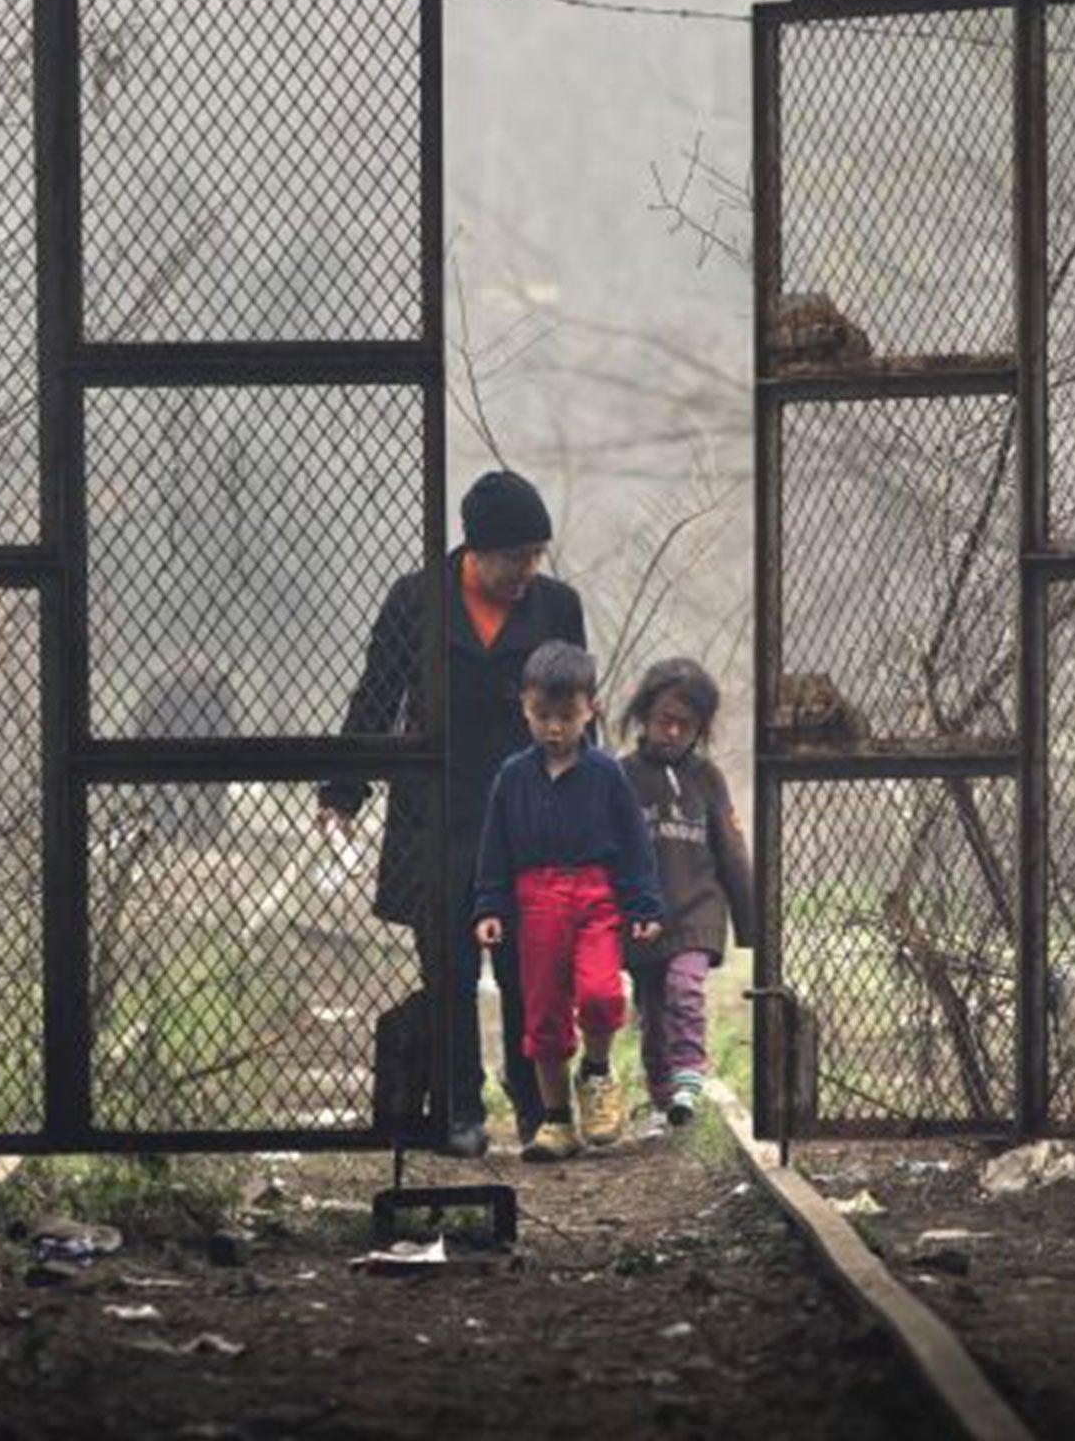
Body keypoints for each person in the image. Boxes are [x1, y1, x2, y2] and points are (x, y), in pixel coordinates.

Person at [319, 470, 585, 1157]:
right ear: (476, 549)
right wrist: (342, 788)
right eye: (513, 557)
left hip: (532, 812)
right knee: (450, 969)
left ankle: (537, 1109)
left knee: (534, 968)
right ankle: (458, 1108)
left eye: (535, 554)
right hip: (438, 810)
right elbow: (379, 691)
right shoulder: (417, 600)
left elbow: (579, 705)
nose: (526, 570)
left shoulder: (558, 606)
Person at [472, 641, 663, 1162]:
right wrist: (489, 906)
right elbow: (495, 847)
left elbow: (634, 844)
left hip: (596, 896)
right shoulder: (512, 776)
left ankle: (597, 1073)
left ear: (590, 711)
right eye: (542, 716)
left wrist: (644, 906)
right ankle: (556, 1121)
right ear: (525, 709)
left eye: (566, 716)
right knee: (544, 1015)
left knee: (602, 994)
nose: (553, 728)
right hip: (535, 902)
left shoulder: (605, 774)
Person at [617, 657, 755, 1135]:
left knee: (684, 987)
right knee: (651, 1012)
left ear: (700, 728)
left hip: (698, 909)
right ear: (644, 717)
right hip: (642, 917)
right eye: (664, 721)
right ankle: (662, 1101)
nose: (672, 732)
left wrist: (751, 921)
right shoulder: (623, 776)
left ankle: (690, 1077)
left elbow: (732, 848)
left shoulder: (706, 778)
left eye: (685, 725)